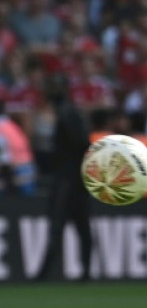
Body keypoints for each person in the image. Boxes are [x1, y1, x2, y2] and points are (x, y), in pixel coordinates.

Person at [37, 74, 93, 281]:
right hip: (74, 178)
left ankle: (46, 274)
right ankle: (85, 272)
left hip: (68, 179)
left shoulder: (66, 113)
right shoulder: (68, 112)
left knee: (60, 226)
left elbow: (81, 144)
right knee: (80, 227)